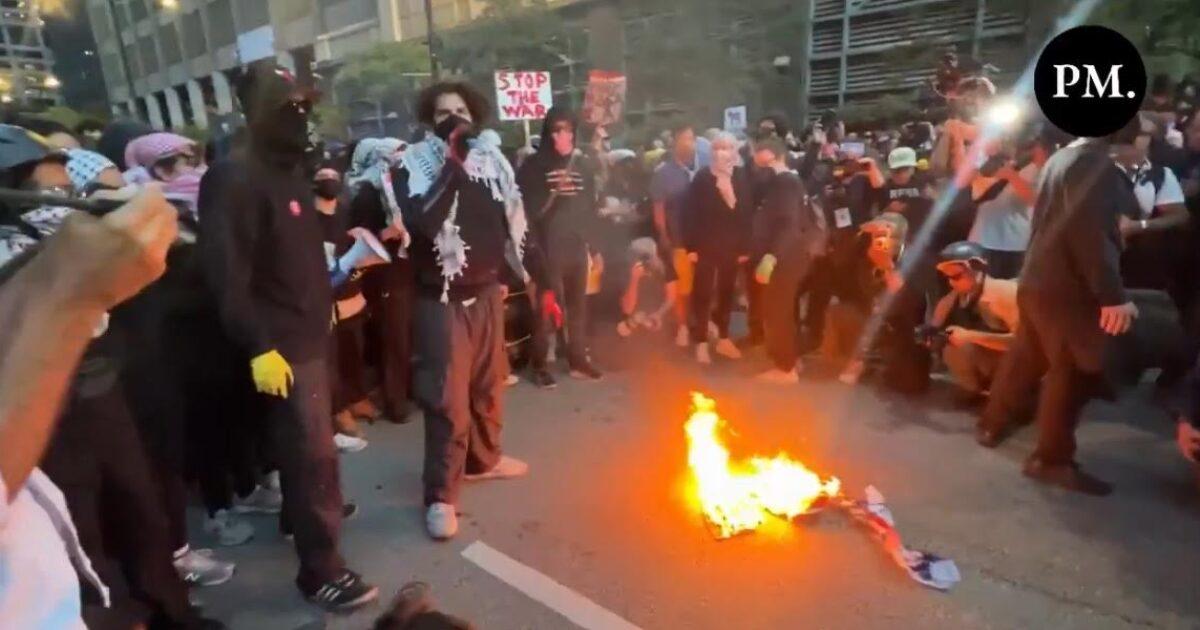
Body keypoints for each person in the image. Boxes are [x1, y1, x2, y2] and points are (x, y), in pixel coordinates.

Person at [197, 64, 378, 610]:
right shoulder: (235, 177)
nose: (301, 118)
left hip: (308, 337)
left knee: (305, 455)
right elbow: (228, 275)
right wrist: (259, 346)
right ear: (258, 114)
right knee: (312, 459)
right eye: (288, 108)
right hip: (279, 348)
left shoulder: (288, 172)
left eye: (304, 107)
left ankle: (299, 512)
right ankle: (320, 570)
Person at [0, 186, 216, 630]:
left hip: (100, 393)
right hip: (53, 417)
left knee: (141, 509)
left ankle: (171, 611)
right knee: (90, 529)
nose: (59, 198)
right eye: (49, 186)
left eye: (64, 189)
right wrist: (69, 295)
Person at [394, 82, 535, 540]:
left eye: (460, 111)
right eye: (441, 113)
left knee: (488, 385)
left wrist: (530, 275)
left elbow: (510, 222)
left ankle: (484, 460)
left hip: (488, 291)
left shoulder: (492, 163)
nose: (452, 119)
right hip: (442, 301)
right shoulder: (412, 166)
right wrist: (452, 165)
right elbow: (425, 223)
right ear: (429, 120)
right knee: (448, 402)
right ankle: (441, 495)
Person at [975, 120, 1142, 496]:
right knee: (1069, 370)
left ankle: (992, 423)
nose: (1142, 153)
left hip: (1037, 276)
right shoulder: (1095, 168)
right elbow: (1092, 235)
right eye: (1140, 142)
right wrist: (1112, 295)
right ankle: (1051, 460)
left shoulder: (1061, 161)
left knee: (1025, 356)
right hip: (1066, 286)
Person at [517, 106, 604, 386]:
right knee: (546, 308)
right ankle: (540, 362)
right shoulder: (533, 166)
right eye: (557, 130)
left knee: (578, 307)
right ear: (548, 133)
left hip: (576, 245)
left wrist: (595, 246)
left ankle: (578, 359)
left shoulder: (583, 165)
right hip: (547, 246)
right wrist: (531, 250)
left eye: (568, 130)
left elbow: (590, 209)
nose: (563, 136)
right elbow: (525, 212)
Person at [347, 137, 416, 424]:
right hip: (385, 276)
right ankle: (395, 402)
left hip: (405, 271)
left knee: (407, 338)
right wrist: (386, 234)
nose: (401, 158)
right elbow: (357, 237)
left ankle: (406, 392)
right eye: (395, 154)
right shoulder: (366, 194)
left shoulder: (399, 188)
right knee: (394, 339)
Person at [750, 135, 825, 383]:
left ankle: (785, 368)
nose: (759, 171)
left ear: (775, 156)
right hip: (791, 256)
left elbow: (788, 225)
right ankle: (791, 360)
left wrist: (771, 257)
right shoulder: (791, 181)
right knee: (783, 309)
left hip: (784, 258)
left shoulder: (784, 183)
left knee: (776, 311)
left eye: (762, 164)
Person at [315, 167, 373, 453]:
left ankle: (357, 397)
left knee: (354, 350)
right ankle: (339, 411)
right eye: (324, 179)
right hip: (329, 300)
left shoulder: (345, 213)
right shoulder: (308, 220)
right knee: (333, 359)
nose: (330, 184)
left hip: (353, 295)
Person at [685, 132, 752, 365]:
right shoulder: (703, 177)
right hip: (705, 244)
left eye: (726, 148)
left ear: (734, 151)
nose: (720, 153)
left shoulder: (742, 177)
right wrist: (690, 246)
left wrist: (745, 247)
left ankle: (723, 337)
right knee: (702, 294)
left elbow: (746, 214)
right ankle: (701, 342)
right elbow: (691, 213)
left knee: (726, 293)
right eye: (716, 148)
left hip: (732, 246)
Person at [928, 241, 1019, 403]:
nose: (951, 282)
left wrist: (971, 336)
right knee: (953, 347)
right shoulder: (959, 294)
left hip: (1019, 364)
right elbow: (936, 322)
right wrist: (932, 334)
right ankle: (974, 390)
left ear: (978, 269)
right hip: (994, 359)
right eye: (948, 277)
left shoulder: (1003, 294)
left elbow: (1025, 344)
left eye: (956, 276)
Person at [1112, 114, 1189, 293]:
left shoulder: (1161, 175)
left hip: (1139, 266)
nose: (1131, 138)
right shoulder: (1094, 170)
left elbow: (1179, 215)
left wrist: (1140, 225)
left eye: (1139, 133)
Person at [965, 132, 1047, 279]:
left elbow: (1036, 201)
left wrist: (1011, 176)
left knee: (1005, 292)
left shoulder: (1040, 170)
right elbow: (970, 181)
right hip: (981, 240)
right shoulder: (995, 163)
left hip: (1013, 243)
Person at [649, 122, 700, 347]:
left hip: (697, 240)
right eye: (687, 138)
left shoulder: (697, 170)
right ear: (676, 141)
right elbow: (658, 209)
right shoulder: (663, 174)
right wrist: (664, 236)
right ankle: (682, 327)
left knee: (697, 286)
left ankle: (696, 324)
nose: (691, 143)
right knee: (682, 288)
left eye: (693, 138)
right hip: (677, 239)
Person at [616, 237, 677, 338]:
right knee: (624, 329)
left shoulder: (665, 266)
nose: (646, 261)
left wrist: (659, 314)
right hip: (634, 314)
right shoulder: (630, 268)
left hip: (656, 314)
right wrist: (634, 279)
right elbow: (627, 308)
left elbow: (671, 297)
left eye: (648, 256)